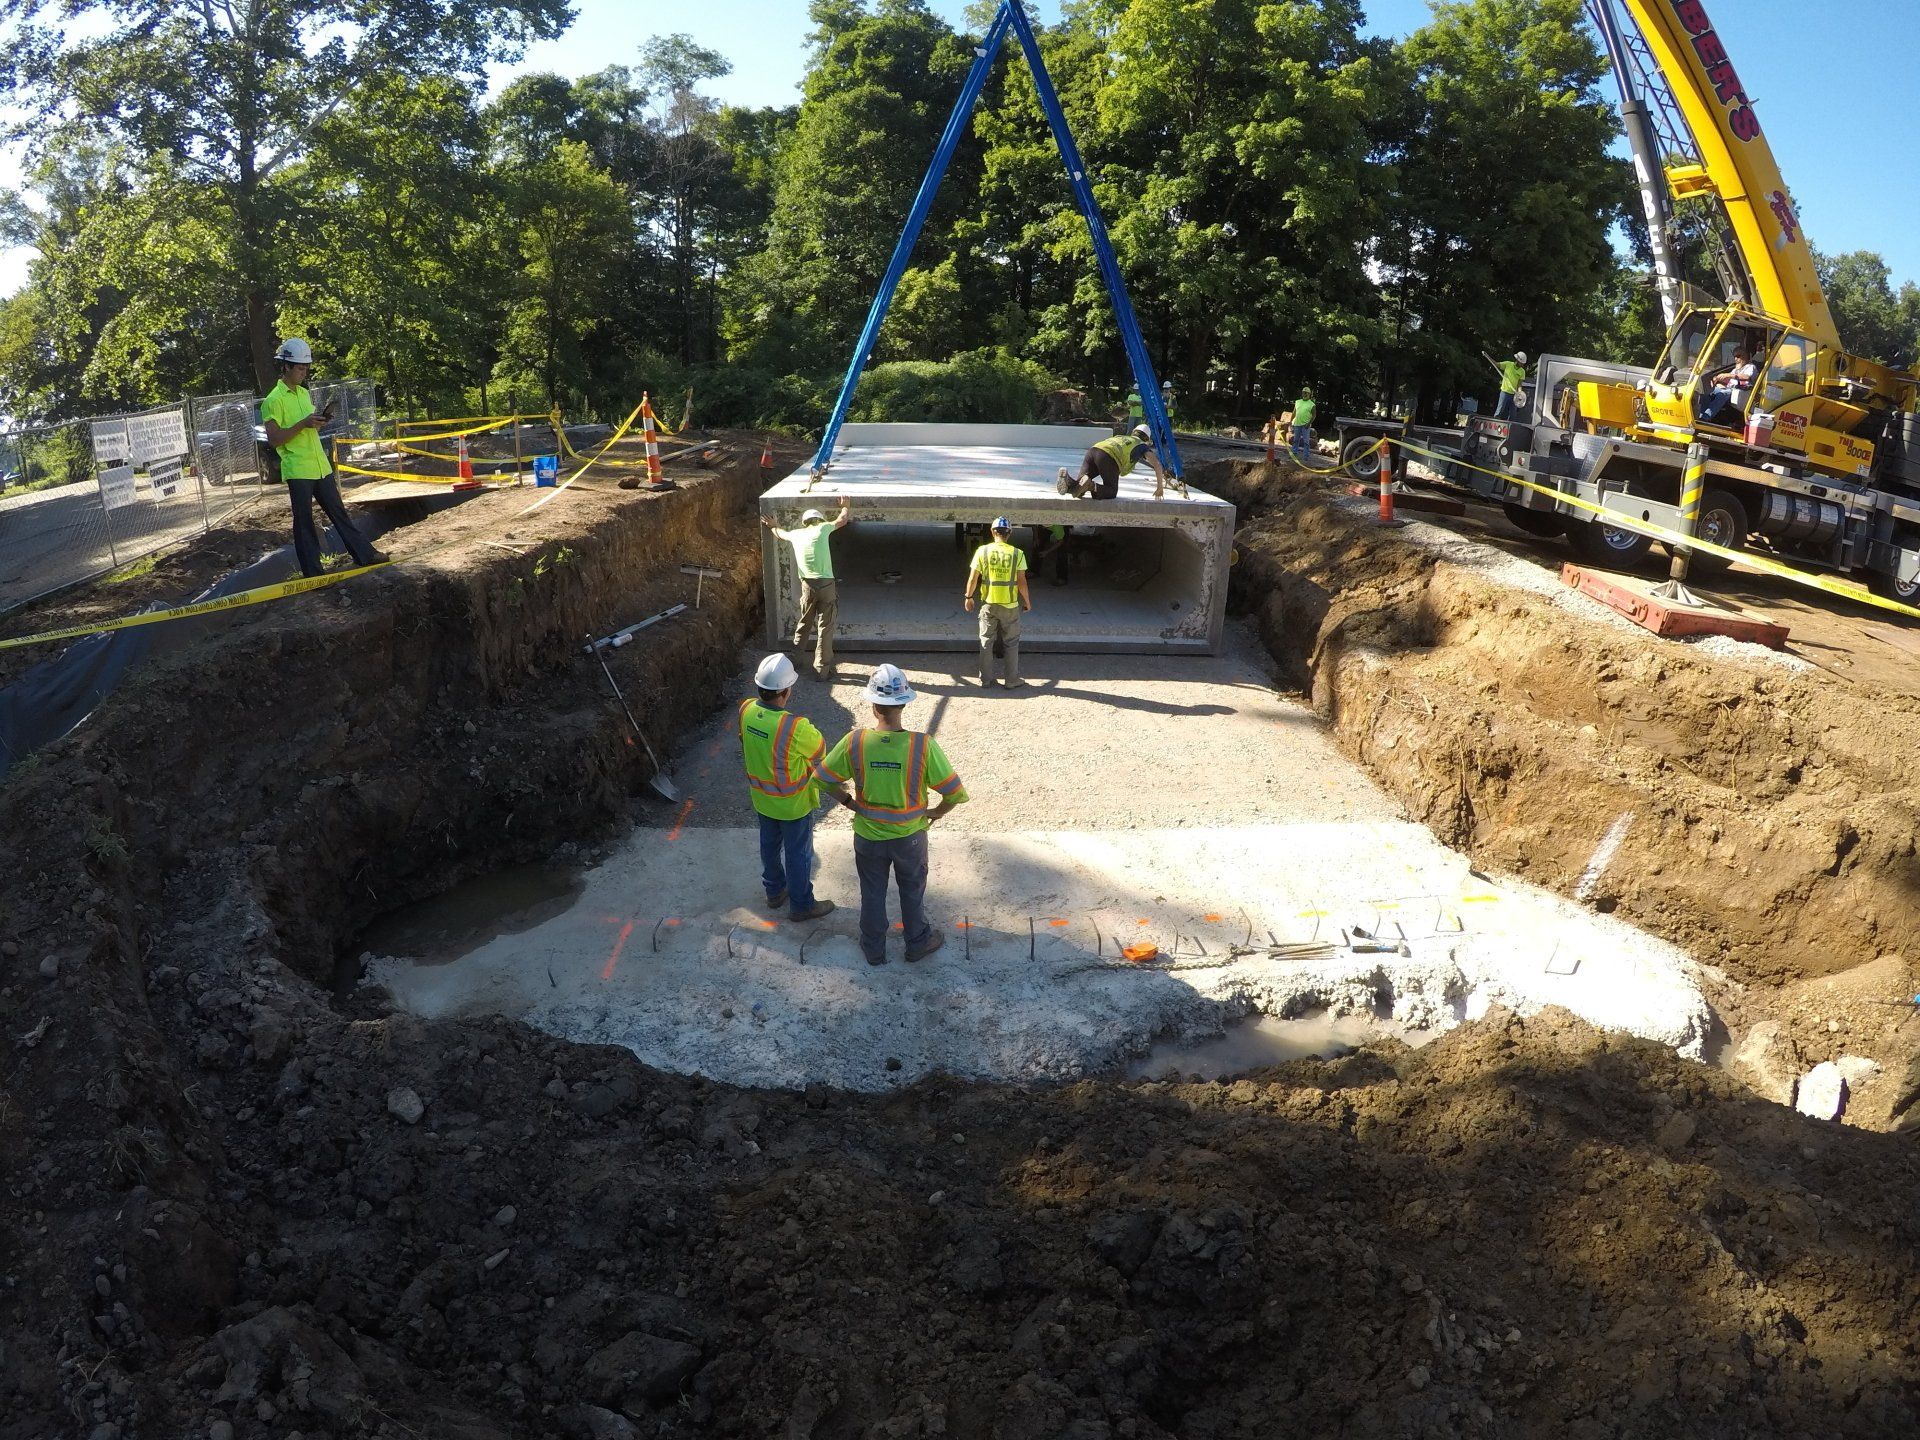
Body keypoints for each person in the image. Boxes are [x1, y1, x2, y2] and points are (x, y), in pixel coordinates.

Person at [817, 664, 968, 966]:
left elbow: (822, 778)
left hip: (868, 836)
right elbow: (954, 793)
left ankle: (873, 949)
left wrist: (848, 802)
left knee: (872, 892)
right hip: (910, 838)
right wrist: (934, 813)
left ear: (874, 706)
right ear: (904, 703)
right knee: (912, 891)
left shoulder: (855, 741)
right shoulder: (921, 745)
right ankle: (917, 943)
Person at [259, 337, 388, 578]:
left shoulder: (303, 393)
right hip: (298, 469)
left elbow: (305, 429)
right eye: (299, 368)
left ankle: (365, 555)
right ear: (285, 366)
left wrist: (316, 423)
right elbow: (275, 439)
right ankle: (314, 575)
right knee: (305, 522)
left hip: (319, 465)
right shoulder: (272, 401)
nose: (304, 372)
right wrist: (304, 423)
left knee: (339, 513)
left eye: (306, 368)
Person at [738, 653, 834, 922]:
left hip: (761, 798)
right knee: (798, 854)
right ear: (785, 690)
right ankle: (802, 905)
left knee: (769, 846)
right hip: (792, 804)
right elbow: (819, 749)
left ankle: (774, 892)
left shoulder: (745, 710)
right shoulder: (795, 727)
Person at [762, 494, 850, 678]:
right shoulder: (824, 528)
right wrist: (845, 506)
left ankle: (794, 661)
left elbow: (779, 533)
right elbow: (843, 520)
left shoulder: (796, 534)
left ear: (805, 522)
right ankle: (822, 670)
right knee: (825, 627)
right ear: (819, 520)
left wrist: (773, 525)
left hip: (807, 586)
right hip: (826, 585)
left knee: (804, 622)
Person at [965, 517, 1032, 687]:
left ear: (992, 532)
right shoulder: (1017, 553)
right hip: (1010, 605)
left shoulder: (982, 551)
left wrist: (968, 597)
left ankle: (985, 680)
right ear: (1009, 533)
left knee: (986, 641)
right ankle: (1011, 680)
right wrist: (1027, 601)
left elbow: (973, 578)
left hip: (988, 604)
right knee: (1011, 643)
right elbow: (1022, 581)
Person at [1056, 425, 1174, 501]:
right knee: (1111, 491)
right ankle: (1090, 485)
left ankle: (1068, 481)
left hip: (1093, 451)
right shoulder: (1142, 446)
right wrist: (1159, 488)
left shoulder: (1122, 437)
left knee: (1078, 489)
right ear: (1147, 439)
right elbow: (1157, 465)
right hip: (1109, 457)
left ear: (1134, 432)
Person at [1699, 348, 1758, 428]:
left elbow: (1746, 377)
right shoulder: (1735, 369)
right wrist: (1717, 378)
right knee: (1706, 391)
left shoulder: (1750, 367)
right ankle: (1701, 415)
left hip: (1742, 392)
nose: (1735, 359)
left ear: (1745, 356)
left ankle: (1705, 418)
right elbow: (1727, 380)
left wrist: (1729, 375)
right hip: (1729, 389)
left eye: (1738, 356)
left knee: (1723, 394)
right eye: (1734, 356)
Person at [1483, 349, 1528, 421]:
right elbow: (1497, 364)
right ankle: (1495, 422)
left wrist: (1519, 394)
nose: (1522, 365)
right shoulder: (1508, 364)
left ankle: (1510, 427)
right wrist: (1488, 356)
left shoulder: (1522, 371)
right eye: (1521, 363)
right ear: (1517, 360)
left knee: (1513, 414)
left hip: (1514, 394)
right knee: (1499, 411)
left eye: (1523, 363)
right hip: (1504, 392)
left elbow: (1519, 384)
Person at [1033, 522, 1069, 588]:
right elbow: (1034, 526)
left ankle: (1062, 577)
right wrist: (1036, 538)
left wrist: (1046, 552)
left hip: (1059, 526)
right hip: (1048, 525)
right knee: (1038, 543)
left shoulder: (1057, 527)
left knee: (1062, 551)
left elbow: (1060, 542)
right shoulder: (1039, 520)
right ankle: (1034, 571)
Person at [1290, 387, 1318, 458]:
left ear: (1309, 394)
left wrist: (1308, 423)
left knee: (1306, 442)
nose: (1304, 394)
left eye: (1306, 393)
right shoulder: (1297, 402)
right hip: (1297, 424)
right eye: (1303, 392)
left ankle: (1306, 456)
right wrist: (1290, 421)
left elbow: (1314, 415)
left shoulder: (1312, 405)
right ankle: (1294, 453)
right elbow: (1294, 412)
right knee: (1296, 440)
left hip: (1305, 425)